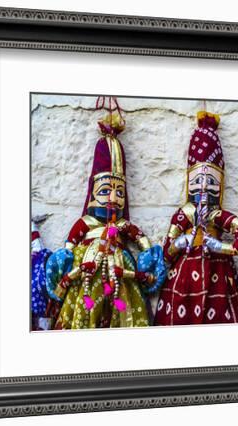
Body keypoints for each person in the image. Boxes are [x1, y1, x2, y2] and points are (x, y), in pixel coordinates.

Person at [45, 110, 166, 329]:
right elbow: (69, 248)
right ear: (92, 194)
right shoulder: (86, 223)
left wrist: (149, 258)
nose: (112, 198)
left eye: (119, 193)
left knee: (123, 309)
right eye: (105, 191)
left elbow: (143, 243)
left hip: (121, 271)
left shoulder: (123, 226)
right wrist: (66, 261)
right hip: (87, 270)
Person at [154, 111, 238, 326]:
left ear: (220, 184)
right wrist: (180, 242)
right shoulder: (184, 213)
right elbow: (167, 252)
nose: (204, 185)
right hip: (185, 275)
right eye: (198, 179)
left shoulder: (218, 214)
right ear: (189, 180)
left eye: (211, 181)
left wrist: (220, 246)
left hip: (219, 272)